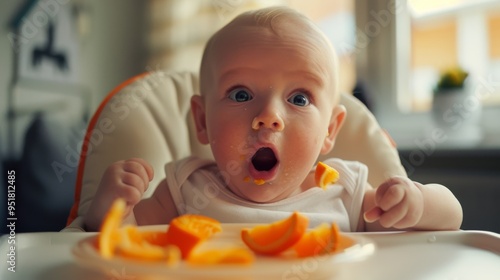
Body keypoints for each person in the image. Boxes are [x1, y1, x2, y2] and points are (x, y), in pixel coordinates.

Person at [84, 6, 462, 232]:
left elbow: (449, 222)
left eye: (299, 98)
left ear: (330, 131)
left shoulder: (344, 195)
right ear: (201, 120)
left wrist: (419, 203)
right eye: (241, 94)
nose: (268, 117)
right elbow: (120, 242)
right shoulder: (186, 191)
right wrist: (109, 209)